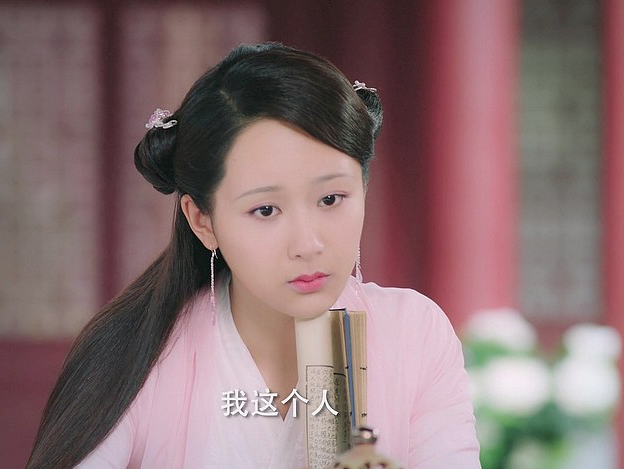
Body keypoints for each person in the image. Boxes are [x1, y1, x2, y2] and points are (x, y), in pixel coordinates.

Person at [27, 42, 479, 469]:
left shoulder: (415, 333)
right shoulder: (138, 350)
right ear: (203, 221)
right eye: (265, 210)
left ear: (362, 187)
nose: (308, 243)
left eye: (331, 199)